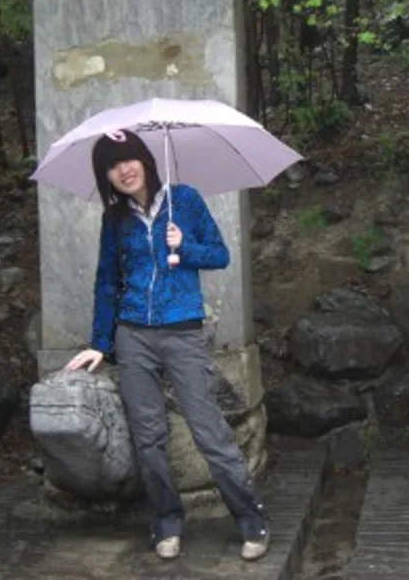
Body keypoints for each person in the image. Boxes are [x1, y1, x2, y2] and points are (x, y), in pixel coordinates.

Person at [65, 129, 270, 562]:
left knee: (208, 430)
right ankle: (166, 522)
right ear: (106, 176)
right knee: (148, 436)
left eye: (129, 158)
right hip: (133, 335)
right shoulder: (115, 219)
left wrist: (185, 246)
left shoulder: (185, 200)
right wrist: (100, 343)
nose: (123, 169)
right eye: (112, 165)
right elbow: (107, 282)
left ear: (145, 158)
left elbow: (219, 254)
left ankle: (252, 520)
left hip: (183, 332)